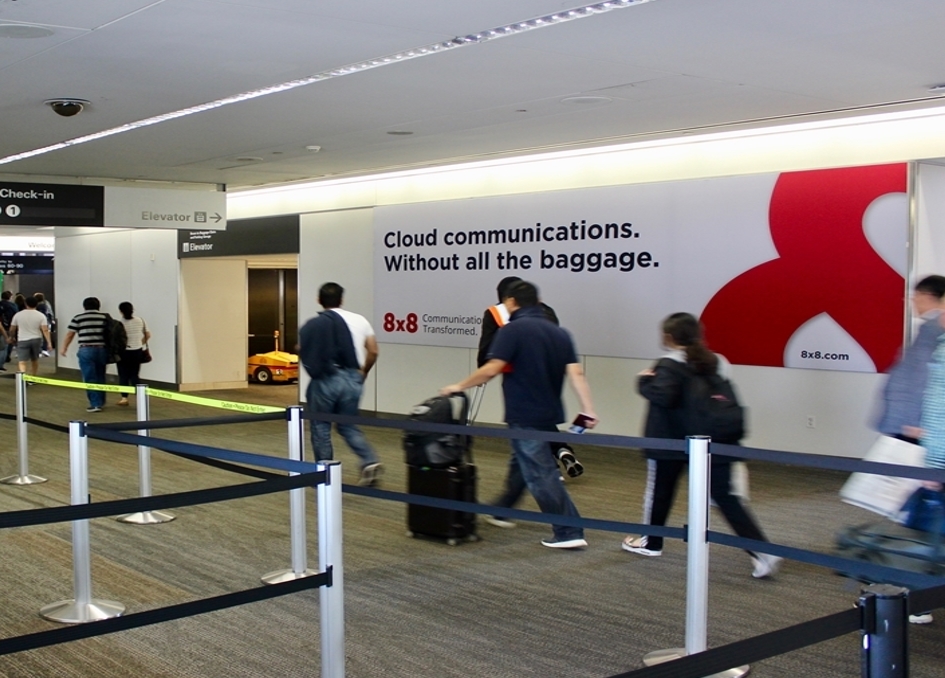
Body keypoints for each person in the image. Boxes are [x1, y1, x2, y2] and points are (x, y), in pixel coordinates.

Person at [622, 312, 781, 578]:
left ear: (668, 338)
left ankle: (652, 542)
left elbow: (664, 396)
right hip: (714, 440)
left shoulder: (668, 364)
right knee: (726, 498)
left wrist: (643, 381)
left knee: (660, 492)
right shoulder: (719, 362)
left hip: (671, 441)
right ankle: (761, 552)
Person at [442, 280, 598, 549]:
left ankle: (569, 530)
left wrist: (458, 386)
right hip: (550, 411)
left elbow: (492, 368)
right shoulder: (560, 333)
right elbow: (576, 373)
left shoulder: (513, 330)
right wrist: (588, 409)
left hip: (524, 412)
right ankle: (503, 509)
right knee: (522, 463)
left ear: (511, 302)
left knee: (540, 474)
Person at [477, 276, 585, 484]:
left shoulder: (497, 316)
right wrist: (587, 408)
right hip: (550, 379)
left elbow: (486, 353)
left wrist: (480, 373)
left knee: (525, 439)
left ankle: (548, 475)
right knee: (540, 423)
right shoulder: (548, 312)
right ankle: (561, 450)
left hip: (519, 381)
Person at [298, 282, 383, 486]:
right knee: (348, 425)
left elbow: (303, 349)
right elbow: (373, 351)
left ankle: (325, 472)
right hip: (352, 378)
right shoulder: (360, 320)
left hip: (326, 380)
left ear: (319, 300)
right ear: (342, 300)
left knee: (320, 426)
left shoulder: (314, 324)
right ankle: (369, 461)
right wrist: (363, 373)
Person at [875, 275, 945, 444]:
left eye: (916, 296)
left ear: (928, 296)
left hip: (910, 421)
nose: (912, 301)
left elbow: (923, 376)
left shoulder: (932, 329)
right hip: (910, 418)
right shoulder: (931, 327)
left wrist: (914, 421)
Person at [60, 297, 110, 413]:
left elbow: (70, 334)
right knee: (100, 375)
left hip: (86, 349)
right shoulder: (105, 318)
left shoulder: (78, 318)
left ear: (84, 307)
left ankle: (95, 404)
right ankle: (101, 401)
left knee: (89, 377)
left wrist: (64, 348)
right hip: (102, 349)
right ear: (99, 306)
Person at [116, 301, 151, 406]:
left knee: (123, 376)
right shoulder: (140, 320)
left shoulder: (119, 323)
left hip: (123, 352)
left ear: (121, 311)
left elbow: (118, 339)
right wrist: (140, 343)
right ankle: (140, 398)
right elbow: (148, 335)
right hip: (137, 351)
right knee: (134, 375)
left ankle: (124, 398)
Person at [10, 296, 51, 377]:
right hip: (36, 339)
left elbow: (12, 329)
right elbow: (45, 330)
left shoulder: (18, 315)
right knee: (34, 360)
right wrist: (49, 342)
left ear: (25, 304)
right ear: (36, 304)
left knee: (22, 361)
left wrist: (11, 337)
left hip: (22, 339)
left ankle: (22, 377)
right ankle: (33, 377)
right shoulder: (41, 315)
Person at [0, 291, 16, 367]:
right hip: (8, 327)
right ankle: (4, 360)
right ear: (9, 297)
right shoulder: (12, 306)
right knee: (5, 346)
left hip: (2, 326)